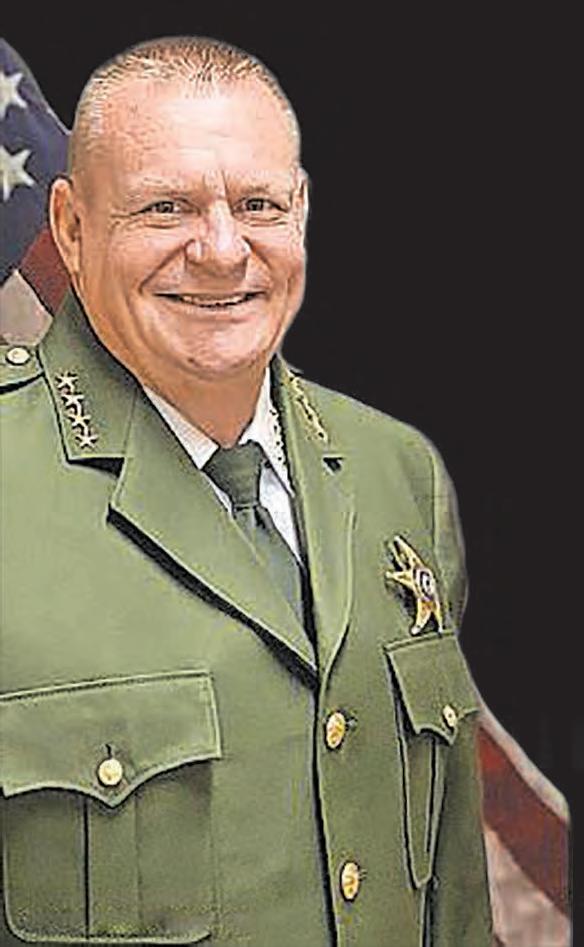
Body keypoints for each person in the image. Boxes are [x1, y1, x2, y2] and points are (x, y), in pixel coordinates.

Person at [0, 35, 493, 946]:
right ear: (69, 227)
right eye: (167, 207)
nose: (223, 250)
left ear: (300, 212)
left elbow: (453, 902)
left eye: (258, 204)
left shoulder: (396, 472)